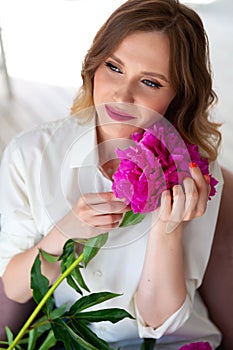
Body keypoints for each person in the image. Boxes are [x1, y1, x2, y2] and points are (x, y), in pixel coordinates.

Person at [0, 0, 224, 349]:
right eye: (114, 67)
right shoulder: (29, 155)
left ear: (178, 95)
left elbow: (158, 323)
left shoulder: (196, 175)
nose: (122, 94)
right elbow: (14, 288)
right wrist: (65, 232)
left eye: (150, 82)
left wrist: (168, 230)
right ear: (93, 65)